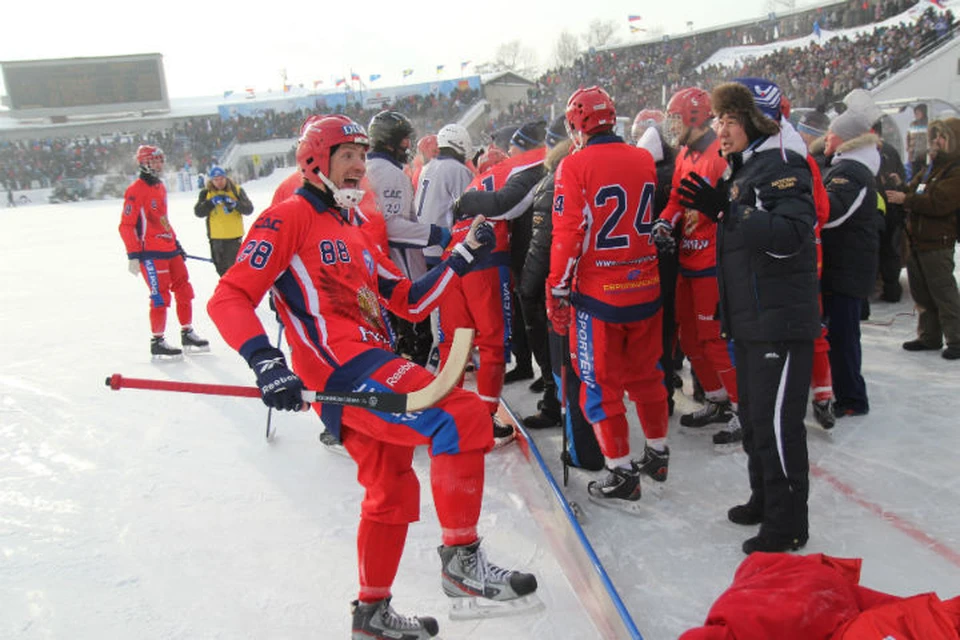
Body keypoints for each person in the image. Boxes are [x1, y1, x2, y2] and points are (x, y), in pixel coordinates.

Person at [207, 116, 539, 639]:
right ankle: (463, 567)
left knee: (390, 488)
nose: (360, 166)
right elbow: (229, 296)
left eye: (363, 155)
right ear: (316, 159)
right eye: (347, 156)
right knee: (459, 416)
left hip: (371, 358)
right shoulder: (287, 217)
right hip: (342, 369)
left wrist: (457, 260)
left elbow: (407, 303)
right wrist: (265, 361)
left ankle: (372, 615)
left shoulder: (357, 228)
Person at [678, 79, 819, 554]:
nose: (720, 128)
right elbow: (741, 250)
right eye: (717, 119)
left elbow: (792, 234)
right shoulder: (747, 169)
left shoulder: (783, 165)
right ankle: (765, 499)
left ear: (755, 122)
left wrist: (730, 213)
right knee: (757, 420)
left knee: (779, 424)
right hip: (752, 319)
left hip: (779, 321)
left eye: (729, 120)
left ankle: (787, 524)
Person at [547, 86, 669, 510]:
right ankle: (657, 453)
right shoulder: (641, 158)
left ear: (578, 124)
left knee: (600, 385)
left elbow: (568, 233)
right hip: (646, 286)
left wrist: (557, 288)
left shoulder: (574, 164)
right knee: (647, 375)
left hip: (600, 295)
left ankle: (620, 472)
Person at [654, 86, 741, 447]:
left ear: (694, 116)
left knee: (714, 339)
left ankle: (742, 408)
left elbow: (733, 209)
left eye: (676, 118)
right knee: (689, 338)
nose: (672, 127)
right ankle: (718, 399)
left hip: (710, 262)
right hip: (688, 257)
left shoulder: (719, 156)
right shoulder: (685, 156)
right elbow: (676, 197)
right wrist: (664, 221)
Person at [366, 110, 450, 366]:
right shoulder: (388, 173)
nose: (407, 145)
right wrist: (434, 234)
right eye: (403, 139)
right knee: (415, 348)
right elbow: (391, 226)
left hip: (381, 272)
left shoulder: (372, 169)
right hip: (400, 274)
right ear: (389, 141)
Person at [119, 145, 209, 358]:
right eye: (155, 160)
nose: (159, 165)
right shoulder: (135, 190)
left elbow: (163, 220)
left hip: (168, 248)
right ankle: (157, 340)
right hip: (149, 252)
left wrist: (176, 243)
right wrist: (133, 254)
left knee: (184, 290)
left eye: (161, 160)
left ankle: (187, 332)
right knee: (160, 296)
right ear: (144, 162)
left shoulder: (160, 187)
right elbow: (126, 225)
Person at [821, 110, 882, 418]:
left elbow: (832, 212)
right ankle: (845, 392)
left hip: (846, 269)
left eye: (832, 133)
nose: (827, 137)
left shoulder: (851, 171)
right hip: (845, 267)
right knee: (841, 336)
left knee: (842, 338)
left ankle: (852, 399)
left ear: (845, 139)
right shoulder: (850, 167)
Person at [886, 118, 960, 360]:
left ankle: (956, 339)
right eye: (934, 136)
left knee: (943, 293)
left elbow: (938, 203)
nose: (936, 142)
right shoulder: (931, 168)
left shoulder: (955, 171)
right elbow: (915, 190)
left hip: (938, 242)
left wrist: (904, 199)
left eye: (942, 137)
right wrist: (901, 186)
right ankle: (929, 336)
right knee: (922, 293)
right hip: (918, 241)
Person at [193, 166, 254, 276]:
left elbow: (249, 209)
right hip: (216, 239)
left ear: (226, 178)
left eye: (221, 179)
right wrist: (210, 203)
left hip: (234, 238)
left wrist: (235, 204)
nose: (219, 182)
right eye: (216, 180)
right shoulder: (206, 193)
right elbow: (198, 212)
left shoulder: (236, 190)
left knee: (236, 271)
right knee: (221, 271)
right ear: (211, 181)